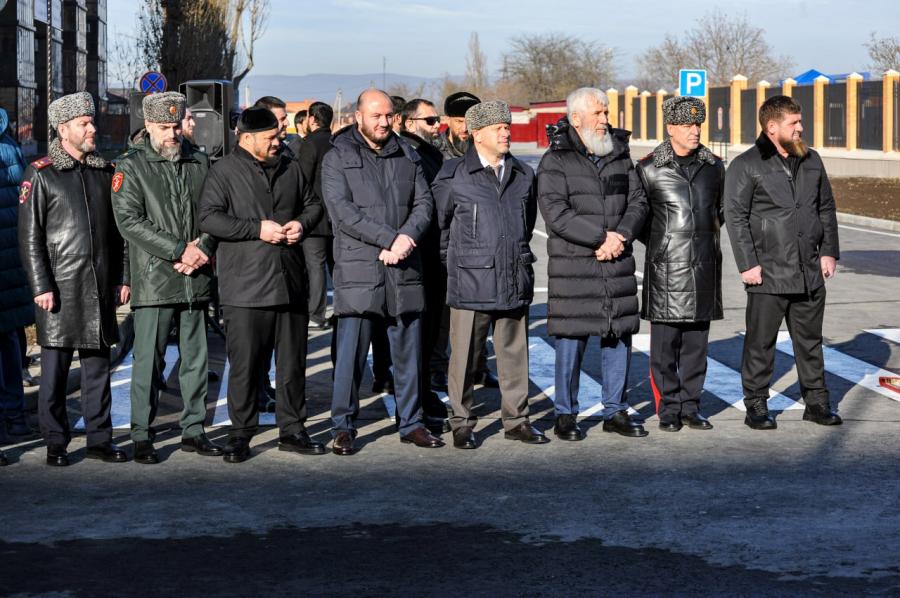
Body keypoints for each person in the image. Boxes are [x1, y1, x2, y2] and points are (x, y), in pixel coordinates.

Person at [321, 88, 443, 455]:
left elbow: (424, 203)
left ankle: (412, 423)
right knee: (351, 357)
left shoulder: (407, 153)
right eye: (376, 115)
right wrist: (390, 238)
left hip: (404, 266)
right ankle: (343, 427)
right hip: (360, 268)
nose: (383, 122)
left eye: (388, 115)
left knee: (408, 355)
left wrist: (406, 238)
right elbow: (342, 212)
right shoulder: (337, 157)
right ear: (358, 117)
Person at [199, 107, 324, 463]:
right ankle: (241, 432)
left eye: (279, 136)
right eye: (270, 137)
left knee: (292, 364)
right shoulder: (223, 171)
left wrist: (302, 224)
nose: (278, 142)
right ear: (247, 138)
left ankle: (293, 429)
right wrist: (257, 229)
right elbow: (208, 217)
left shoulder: (289, 167)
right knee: (245, 367)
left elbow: (314, 204)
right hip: (245, 287)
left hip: (290, 282)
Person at [17, 92, 129, 466]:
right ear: (63, 130)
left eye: (91, 121)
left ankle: (100, 439)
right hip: (60, 290)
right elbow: (29, 237)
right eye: (84, 123)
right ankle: (56, 442)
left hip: (99, 287)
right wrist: (41, 286)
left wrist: (122, 277)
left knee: (97, 371)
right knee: (54, 373)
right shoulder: (41, 173)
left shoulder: (105, 172)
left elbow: (119, 234)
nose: (92, 128)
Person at [113, 91, 222, 464]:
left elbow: (214, 211)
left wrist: (202, 247)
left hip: (196, 276)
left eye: (176, 126)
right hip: (155, 278)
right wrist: (179, 250)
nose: (172, 134)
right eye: (164, 127)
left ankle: (194, 430)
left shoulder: (199, 161)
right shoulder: (131, 166)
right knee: (149, 361)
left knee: (196, 360)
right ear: (148, 126)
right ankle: (142, 434)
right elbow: (129, 221)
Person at [537, 87, 649, 440]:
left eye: (606, 112)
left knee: (618, 334)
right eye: (598, 113)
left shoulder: (619, 154)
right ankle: (565, 414)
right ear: (576, 119)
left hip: (616, 259)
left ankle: (615, 411)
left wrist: (622, 237)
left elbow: (638, 202)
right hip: (575, 263)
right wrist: (601, 239)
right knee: (571, 338)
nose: (605, 119)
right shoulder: (556, 159)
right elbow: (556, 213)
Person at [725, 95, 842, 429]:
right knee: (760, 343)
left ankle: (817, 403)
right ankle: (756, 405)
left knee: (810, 343)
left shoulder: (811, 160)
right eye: (794, 123)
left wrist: (829, 251)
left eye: (800, 121)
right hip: (768, 272)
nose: (800, 128)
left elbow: (825, 207)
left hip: (808, 270)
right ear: (772, 127)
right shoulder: (746, 164)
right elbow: (735, 217)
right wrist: (748, 264)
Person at [434, 100, 543, 449]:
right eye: (498, 128)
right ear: (477, 134)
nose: (506, 133)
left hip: (513, 276)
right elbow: (441, 229)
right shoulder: (454, 175)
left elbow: (526, 224)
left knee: (514, 355)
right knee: (464, 358)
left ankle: (517, 420)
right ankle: (462, 422)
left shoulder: (523, 174)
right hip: (471, 281)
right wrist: (457, 267)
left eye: (507, 126)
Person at [636, 96, 724, 432]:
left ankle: (691, 406)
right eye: (687, 124)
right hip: (666, 270)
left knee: (696, 348)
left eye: (698, 124)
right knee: (664, 349)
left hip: (703, 267)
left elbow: (719, 213)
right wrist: (667, 244)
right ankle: (669, 408)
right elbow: (641, 220)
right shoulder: (648, 168)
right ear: (670, 127)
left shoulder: (714, 168)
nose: (695, 130)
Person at [400, 98, 449, 431]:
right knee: (415, 336)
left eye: (437, 120)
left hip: (435, 254)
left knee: (430, 333)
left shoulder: (430, 153)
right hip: (417, 253)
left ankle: (424, 393)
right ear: (409, 123)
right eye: (429, 121)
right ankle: (416, 401)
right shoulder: (407, 154)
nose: (436, 126)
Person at [1, 106, 36, 460]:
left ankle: (11, 416)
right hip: (10, 255)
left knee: (9, 341)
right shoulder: (9, 143)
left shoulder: (7, 144)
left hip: (8, 256)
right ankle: (13, 416)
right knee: (9, 341)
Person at [297, 102, 335, 330]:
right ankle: (342, 311)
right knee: (337, 267)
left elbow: (302, 179)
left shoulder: (310, 143)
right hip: (337, 216)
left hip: (314, 218)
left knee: (315, 267)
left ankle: (316, 314)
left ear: (311, 119)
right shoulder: (338, 142)